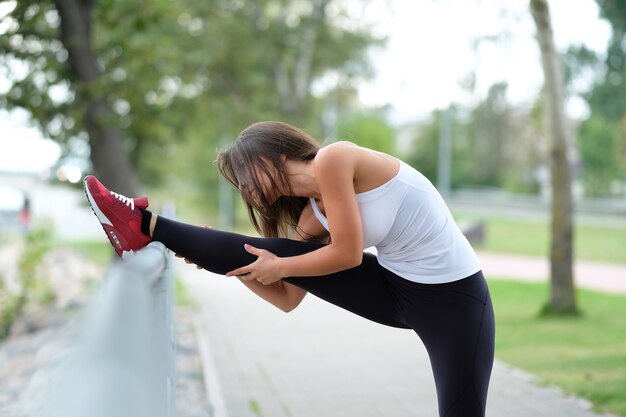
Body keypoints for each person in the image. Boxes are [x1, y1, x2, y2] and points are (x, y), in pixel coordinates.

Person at [84, 120, 495, 417]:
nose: (244, 189)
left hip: (455, 301)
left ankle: (145, 226)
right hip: (395, 290)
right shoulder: (310, 220)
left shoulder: (335, 159)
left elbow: (348, 254)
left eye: (245, 175)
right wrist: (230, 266)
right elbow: (288, 297)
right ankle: (145, 228)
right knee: (273, 252)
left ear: (274, 156)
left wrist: (278, 265)